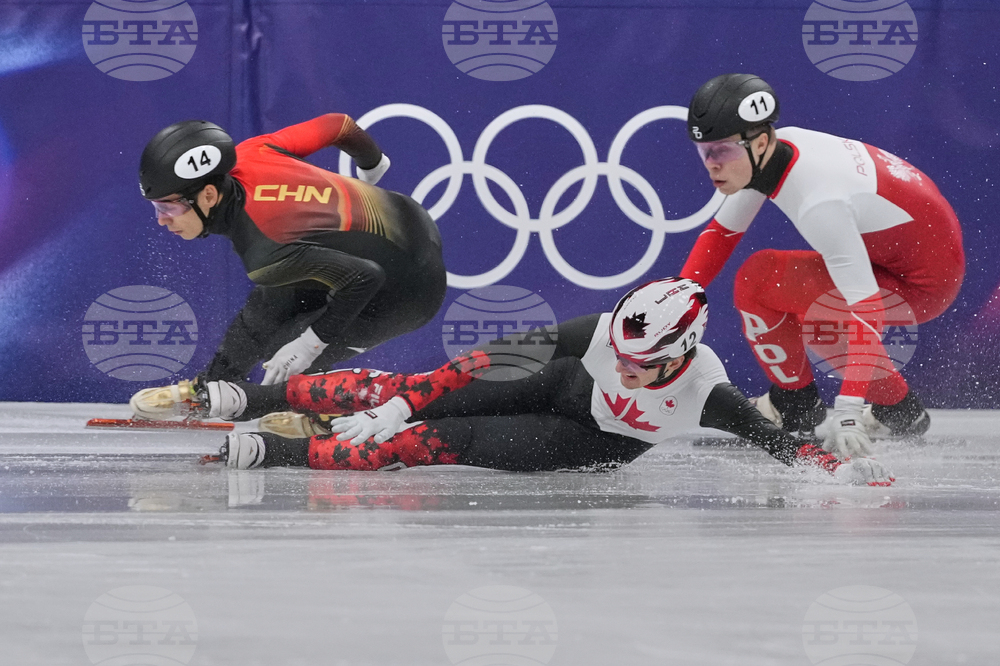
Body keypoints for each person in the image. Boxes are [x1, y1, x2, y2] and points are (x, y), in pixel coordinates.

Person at [132, 278, 894, 485]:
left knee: (428, 441)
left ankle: (275, 453)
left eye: (641, 364)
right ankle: (246, 399)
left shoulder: (708, 393)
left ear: (680, 356)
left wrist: (843, 471)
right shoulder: (598, 333)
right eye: (622, 352)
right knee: (389, 394)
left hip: (590, 438)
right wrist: (399, 397)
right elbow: (481, 363)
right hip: (558, 384)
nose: (625, 364)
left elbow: (781, 447)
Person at [680, 74, 964, 459]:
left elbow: (868, 310)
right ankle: (899, 411)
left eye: (723, 152)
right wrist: (677, 298)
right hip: (911, 256)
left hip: (924, 283)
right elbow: (722, 234)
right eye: (705, 152)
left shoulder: (820, 202)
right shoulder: (773, 151)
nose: (712, 165)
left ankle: (798, 407)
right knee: (768, 278)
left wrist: (846, 412)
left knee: (775, 288)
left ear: (760, 143)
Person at [136, 115, 446, 386]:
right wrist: (372, 163)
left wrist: (310, 344)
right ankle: (211, 387)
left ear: (208, 196)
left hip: (412, 289)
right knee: (266, 307)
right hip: (409, 216)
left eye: (168, 207)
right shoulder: (252, 151)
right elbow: (339, 125)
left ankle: (326, 413)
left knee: (286, 350)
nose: (161, 220)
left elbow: (365, 277)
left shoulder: (263, 250)